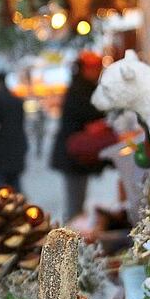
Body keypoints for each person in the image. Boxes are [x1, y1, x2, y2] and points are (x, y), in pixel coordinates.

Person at [51, 51, 113, 221]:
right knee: (74, 207)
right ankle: (69, 242)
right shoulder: (81, 90)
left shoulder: (83, 88)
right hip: (73, 155)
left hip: (75, 155)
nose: (99, 70)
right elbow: (91, 116)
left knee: (76, 204)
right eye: (95, 66)